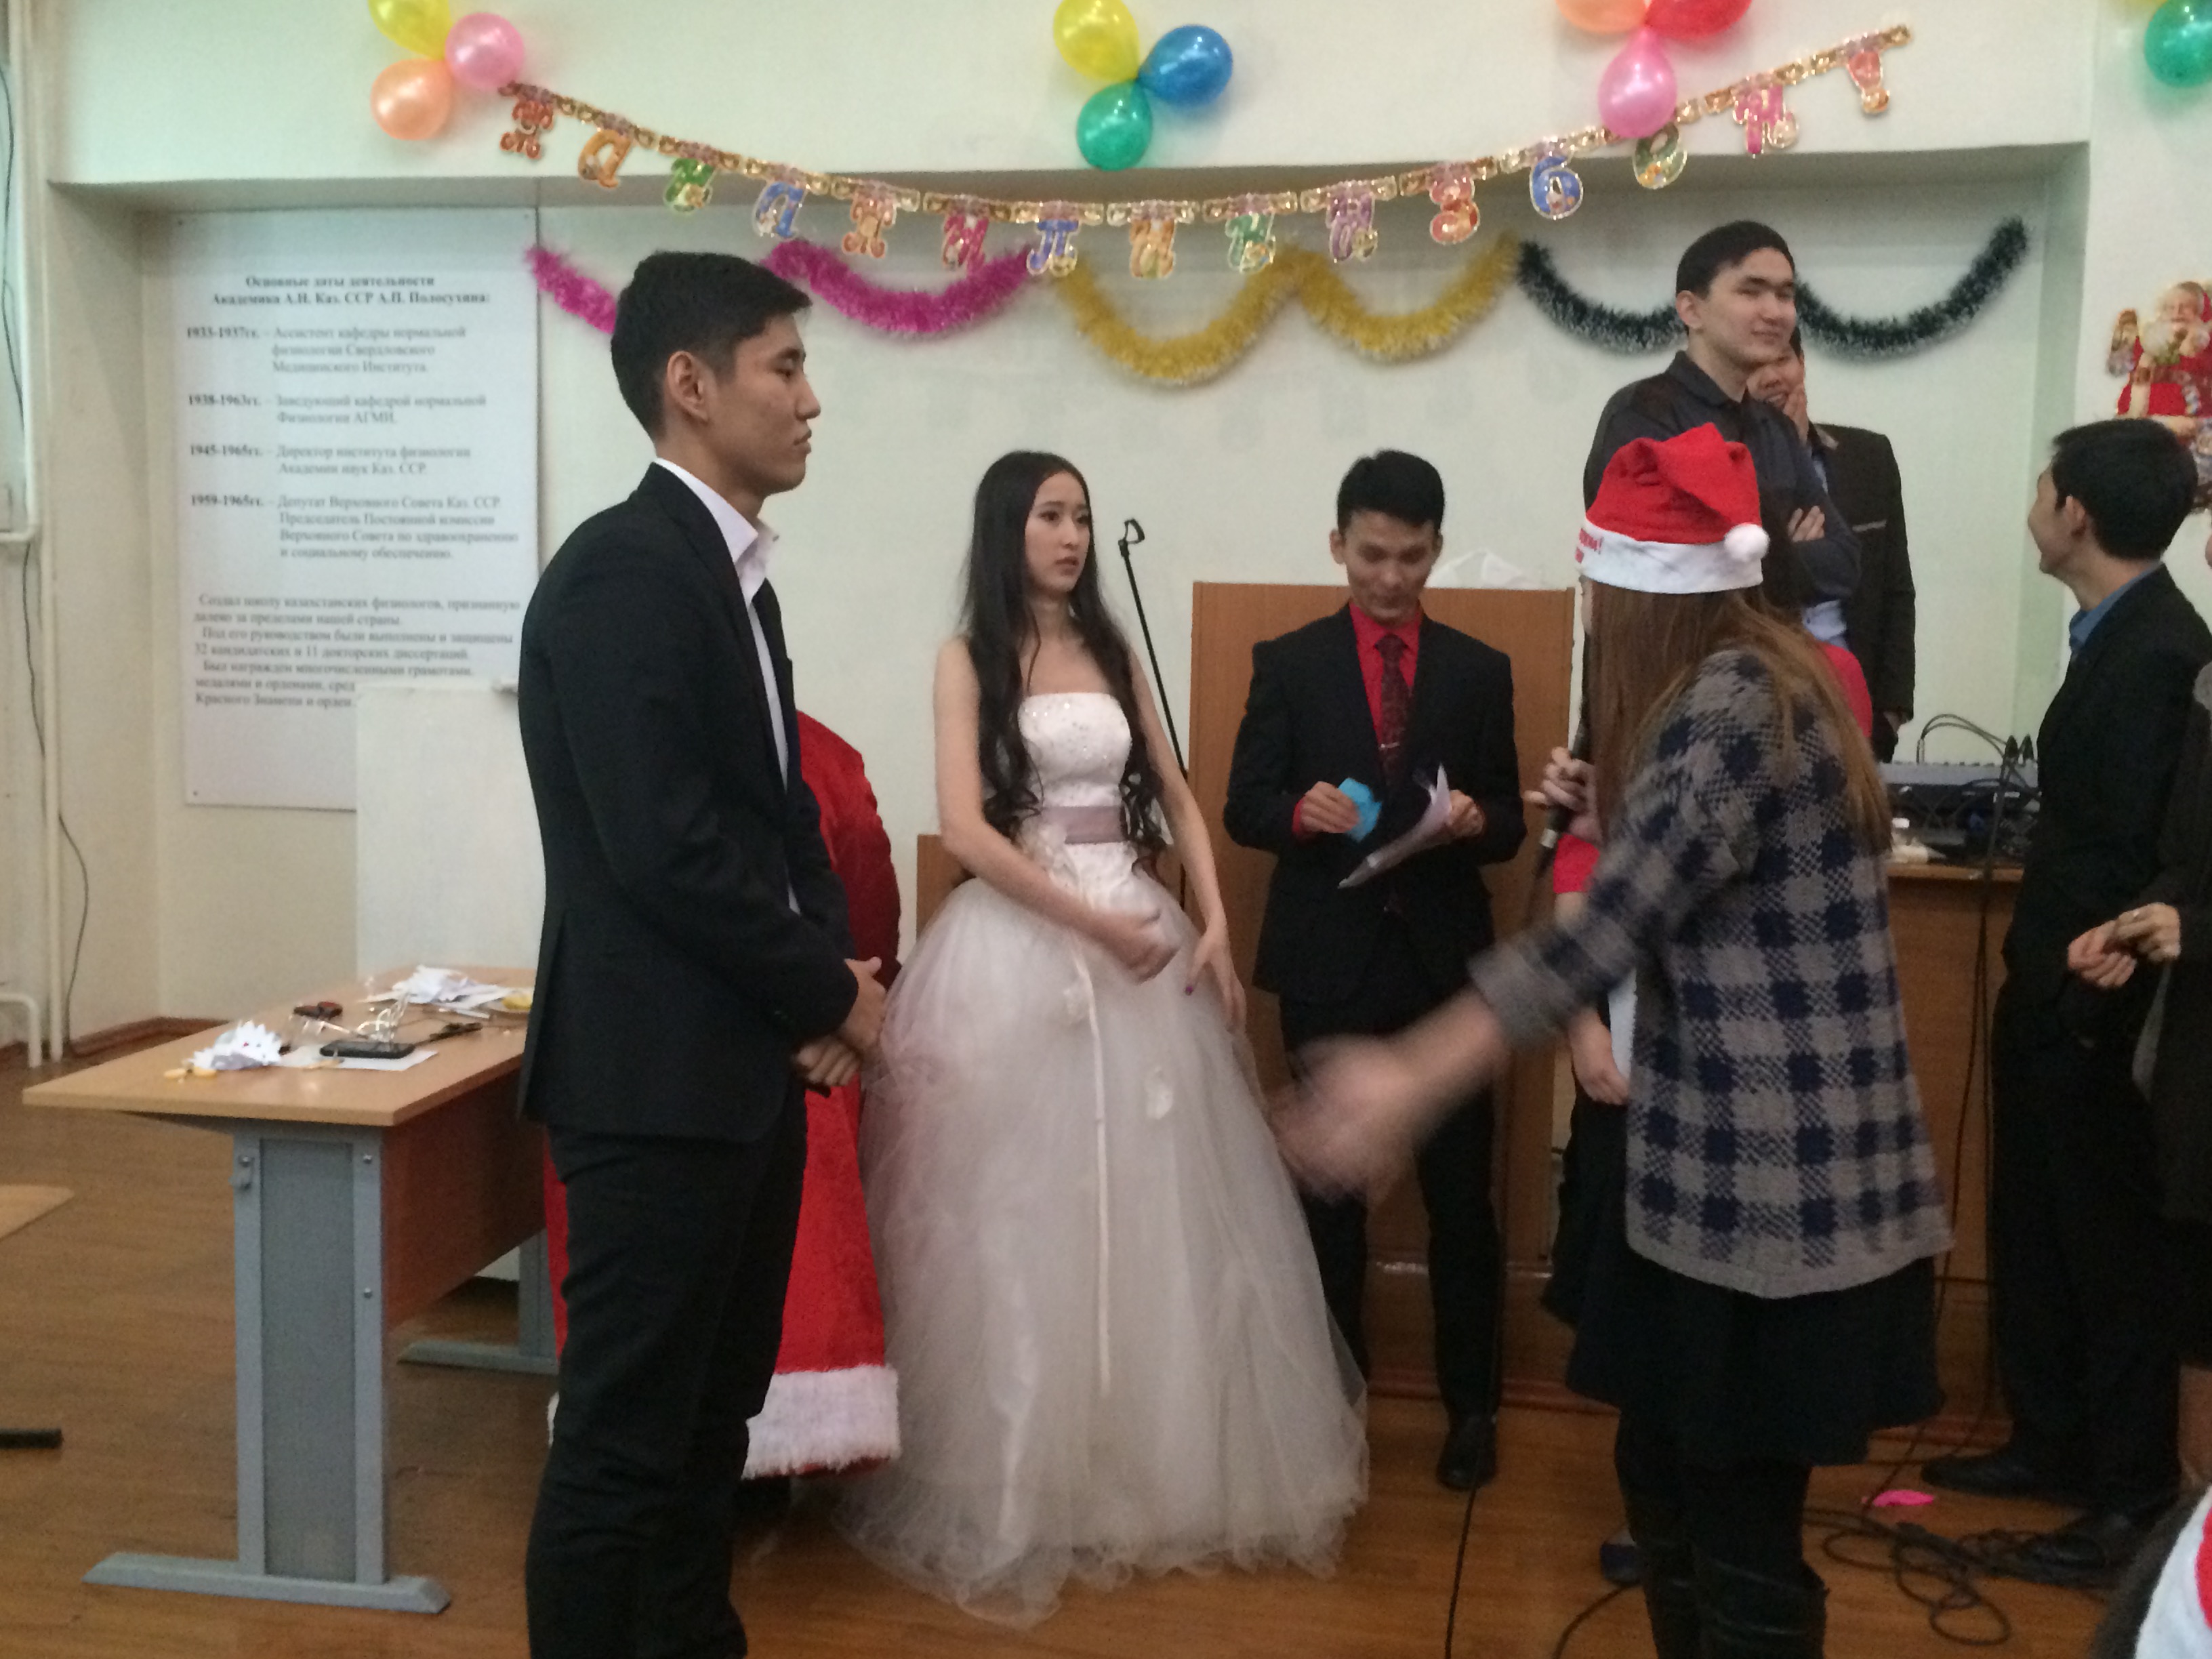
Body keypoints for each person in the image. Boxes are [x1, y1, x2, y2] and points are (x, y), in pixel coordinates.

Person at [1286, 426, 1950, 1659]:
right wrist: (1616, 807)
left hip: (1773, 1195)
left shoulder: (1735, 701)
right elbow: (1710, 869)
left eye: (1600, 590)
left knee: (1739, 1532)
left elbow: (1611, 925)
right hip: (1725, 1181)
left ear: (1645, 594)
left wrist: (1412, 1071)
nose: (1594, 614)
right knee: (1661, 1470)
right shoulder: (1760, 679)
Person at [838, 452, 1366, 1624]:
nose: (1072, 535)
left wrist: (1211, 922)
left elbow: (1175, 791)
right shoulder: (966, 658)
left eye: (1080, 515)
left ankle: (1148, 1467)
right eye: (1050, 515)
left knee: (1154, 1202)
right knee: (1018, 1208)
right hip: (1023, 937)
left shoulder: (1113, 651)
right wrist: (1088, 922)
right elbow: (965, 831)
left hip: (1134, 920)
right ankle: (1022, 1474)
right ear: (1006, 528)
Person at [515, 250, 888, 1659]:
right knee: (623, 1445)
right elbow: (663, 848)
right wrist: (830, 993)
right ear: (690, 383)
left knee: (709, 1429)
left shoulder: (739, 582)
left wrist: (832, 988)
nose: (810, 400)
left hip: (741, 1076)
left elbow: (783, 819)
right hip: (651, 1084)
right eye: (783, 367)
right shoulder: (621, 573)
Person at [1923, 421, 2211, 1582]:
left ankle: (2124, 1495)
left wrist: (2079, 983)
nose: (2034, 506)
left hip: (2101, 998)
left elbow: (2143, 852)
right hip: (2054, 984)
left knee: (2107, 1254)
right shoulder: (2116, 634)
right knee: (2039, 1230)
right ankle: (2047, 1442)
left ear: (2074, 513)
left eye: (2042, 488)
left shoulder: (2160, 650)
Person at [1223, 450, 1527, 1492]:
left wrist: (1481, 820)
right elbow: (1244, 805)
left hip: (1445, 973)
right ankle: (1331, 1410)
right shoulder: (1289, 662)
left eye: (1410, 558)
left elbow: (1510, 821)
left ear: (1437, 551)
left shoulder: (1480, 670)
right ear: (1337, 545)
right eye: (1371, 556)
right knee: (1329, 1207)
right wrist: (1296, 812)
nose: (1389, 578)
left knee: (1462, 1205)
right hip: (1330, 962)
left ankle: (1473, 1409)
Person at [2069, 522, 2212, 1496]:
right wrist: (2133, 925)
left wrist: (2193, 928)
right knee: (2192, 1307)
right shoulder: (2209, 687)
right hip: (2195, 1063)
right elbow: (2183, 855)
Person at [1584, 222, 1860, 650]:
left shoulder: (1775, 427)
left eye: (1785, 294)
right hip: (1666, 675)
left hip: (1769, 669)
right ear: (1691, 310)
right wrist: (1785, 550)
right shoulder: (1644, 414)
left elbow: (1845, 562)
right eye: (1751, 291)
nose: (1774, 312)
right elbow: (1664, 579)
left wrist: (1746, 553)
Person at [1748, 330, 1916, 758]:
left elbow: (1896, 589)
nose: (1772, 377)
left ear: (1802, 363)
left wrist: (1891, 713)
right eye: (1755, 367)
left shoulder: (1869, 458)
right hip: (1761, 700)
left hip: (1854, 702)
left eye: (1783, 360)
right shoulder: (1727, 467)